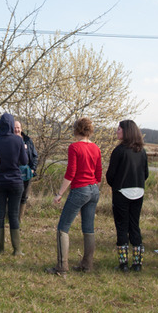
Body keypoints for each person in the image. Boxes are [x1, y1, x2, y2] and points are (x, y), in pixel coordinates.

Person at [46, 117, 102, 275]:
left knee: (63, 228)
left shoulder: (74, 147)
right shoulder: (96, 148)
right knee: (88, 228)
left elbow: (71, 174)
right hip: (93, 190)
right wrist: (93, 188)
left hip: (80, 189)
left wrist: (59, 194)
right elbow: (98, 173)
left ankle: (62, 267)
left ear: (77, 129)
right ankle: (87, 264)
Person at [106, 120, 148, 272]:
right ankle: (137, 263)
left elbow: (110, 175)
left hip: (121, 192)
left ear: (126, 132)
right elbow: (146, 173)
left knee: (122, 226)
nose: (117, 132)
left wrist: (116, 185)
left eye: (119, 129)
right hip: (139, 191)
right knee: (135, 225)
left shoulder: (119, 151)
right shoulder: (142, 151)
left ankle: (123, 263)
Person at [0, 113, 28, 256]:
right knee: (13, 214)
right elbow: (24, 161)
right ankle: (17, 249)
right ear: (12, 125)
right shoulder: (18, 140)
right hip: (15, 182)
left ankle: (0, 249)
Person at [0, 115, 38, 221]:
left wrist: (33, 169)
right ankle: (9, 218)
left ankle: (19, 218)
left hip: (25, 173)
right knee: (10, 197)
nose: (17, 129)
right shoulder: (5, 138)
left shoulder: (28, 140)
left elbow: (33, 156)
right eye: (15, 127)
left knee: (23, 197)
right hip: (13, 173)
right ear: (11, 127)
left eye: (18, 127)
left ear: (21, 128)